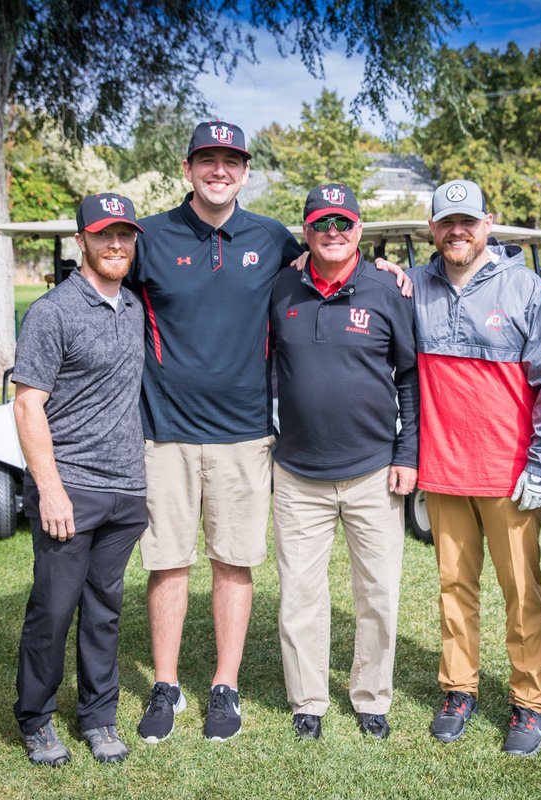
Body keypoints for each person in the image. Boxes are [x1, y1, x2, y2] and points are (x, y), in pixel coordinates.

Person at [127, 121, 408, 744]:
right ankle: (166, 685)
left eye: (230, 161)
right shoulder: (151, 237)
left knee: (233, 562)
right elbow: (106, 274)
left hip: (245, 435)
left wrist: (382, 268)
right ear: (188, 168)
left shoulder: (272, 239)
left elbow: (332, 261)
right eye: (207, 159)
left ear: (245, 172)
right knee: (168, 564)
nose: (219, 170)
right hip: (166, 430)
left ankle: (224, 687)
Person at [413, 179, 541, 756]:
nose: (458, 231)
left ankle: (528, 700)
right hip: (444, 469)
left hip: (510, 473)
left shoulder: (528, 290)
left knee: (523, 592)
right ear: (432, 227)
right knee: (454, 587)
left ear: (488, 223)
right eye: (448, 222)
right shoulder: (414, 287)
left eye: (468, 222)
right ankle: (458, 689)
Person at [268, 183, 419, 741]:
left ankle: (371, 696)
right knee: (299, 594)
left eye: (343, 223)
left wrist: (408, 453)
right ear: (305, 231)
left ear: (359, 229)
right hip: (297, 472)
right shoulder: (280, 286)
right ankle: (308, 698)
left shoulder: (386, 289)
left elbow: (410, 378)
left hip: (373, 470)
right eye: (321, 224)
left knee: (377, 593)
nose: (333, 232)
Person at [12, 193, 147, 766]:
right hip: (70, 488)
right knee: (54, 609)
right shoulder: (53, 312)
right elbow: (27, 405)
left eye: (124, 235)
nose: (115, 244)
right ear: (81, 241)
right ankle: (36, 719)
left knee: (104, 611)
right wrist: (51, 489)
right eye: (103, 235)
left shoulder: (135, 306)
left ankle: (98, 715)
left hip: (126, 490)